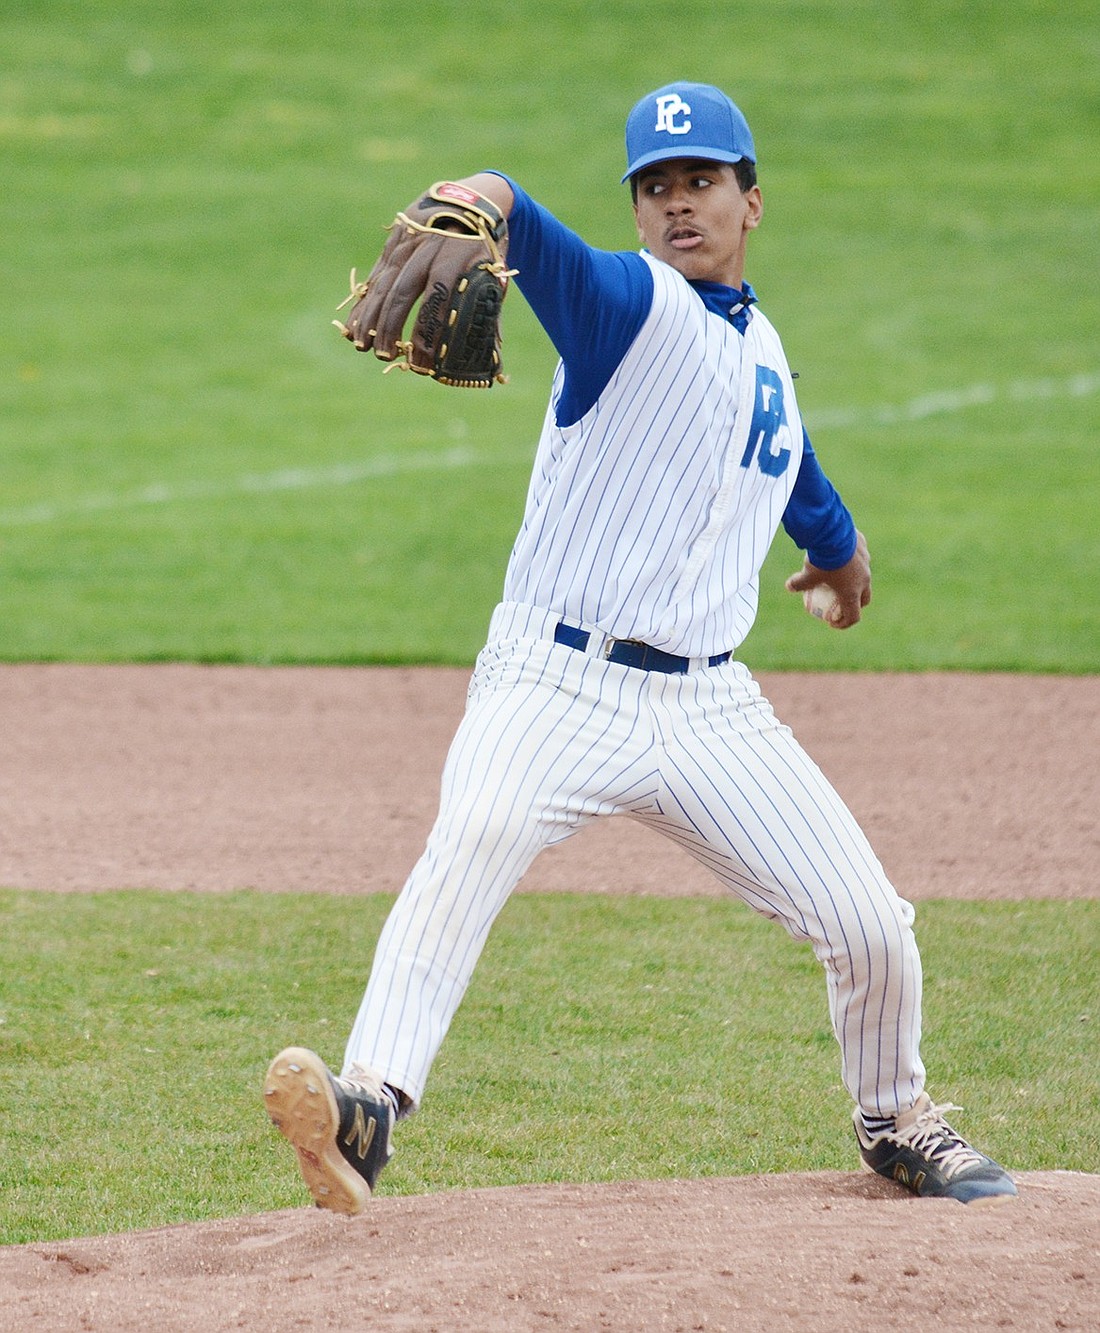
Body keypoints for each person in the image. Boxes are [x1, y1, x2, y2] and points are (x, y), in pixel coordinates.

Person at [263, 81, 1016, 1212]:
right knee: (474, 834)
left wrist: (841, 552)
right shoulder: (624, 305)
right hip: (553, 682)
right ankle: (368, 1106)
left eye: (700, 182)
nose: (677, 204)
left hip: (711, 710)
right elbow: (522, 220)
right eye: (655, 187)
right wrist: (481, 193)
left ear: (749, 201)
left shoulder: (761, 346)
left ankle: (894, 1118)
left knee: (870, 925)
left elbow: (790, 462)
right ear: (636, 211)